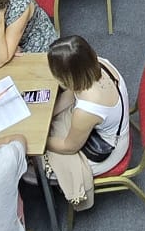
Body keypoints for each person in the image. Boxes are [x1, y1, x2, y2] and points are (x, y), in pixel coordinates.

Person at [40, 35, 132, 211]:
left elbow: (69, 147)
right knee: (53, 123)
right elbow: (72, 93)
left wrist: (38, 141)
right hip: (113, 126)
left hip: (107, 150)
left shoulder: (87, 110)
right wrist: (48, 114)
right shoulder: (100, 64)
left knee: (38, 163)